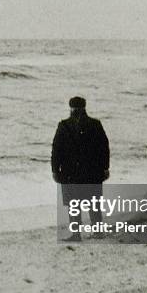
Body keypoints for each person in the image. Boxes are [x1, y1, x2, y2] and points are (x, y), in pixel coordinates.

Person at [51, 96, 110, 242]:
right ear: (85, 107)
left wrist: (55, 170)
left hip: (70, 172)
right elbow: (104, 148)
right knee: (94, 203)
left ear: (70, 108)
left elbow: (56, 150)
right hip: (92, 171)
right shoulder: (95, 124)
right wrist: (105, 168)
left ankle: (76, 235)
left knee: (73, 204)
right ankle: (98, 232)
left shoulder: (64, 125)